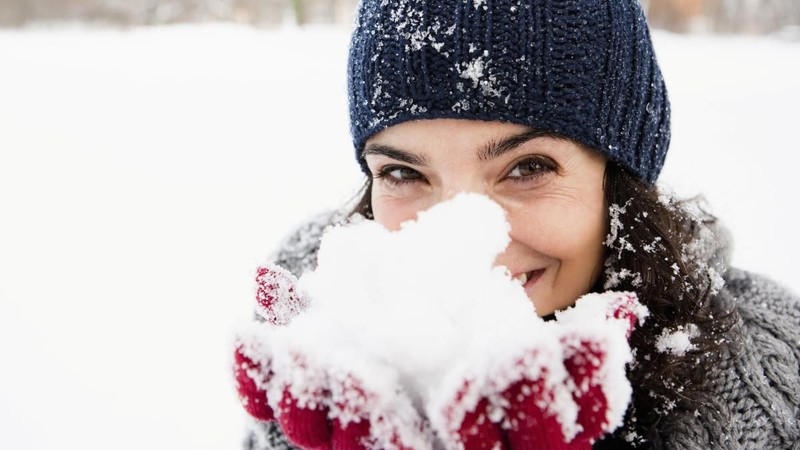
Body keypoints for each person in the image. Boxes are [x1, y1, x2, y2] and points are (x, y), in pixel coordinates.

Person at [241, 0, 800, 448]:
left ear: (621, 183)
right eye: (404, 172)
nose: (466, 248)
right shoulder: (313, 351)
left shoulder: (778, 389)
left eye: (527, 168)